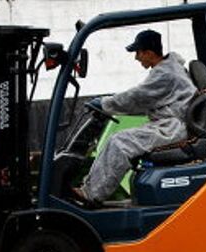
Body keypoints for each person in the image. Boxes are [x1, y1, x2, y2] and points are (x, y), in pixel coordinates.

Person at [74, 29, 196, 203]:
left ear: (149, 52)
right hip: (170, 124)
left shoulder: (165, 74)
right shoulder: (169, 68)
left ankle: (91, 195)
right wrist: (110, 104)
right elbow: (145, 101)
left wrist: (104, 104)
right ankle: (89, 188)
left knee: (119, 143)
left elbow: (137, 97)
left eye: (138, 53)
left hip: (172, 129)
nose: (136, 58)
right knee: (119, 140)